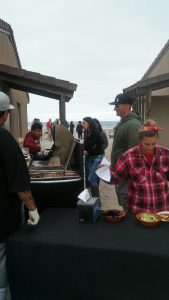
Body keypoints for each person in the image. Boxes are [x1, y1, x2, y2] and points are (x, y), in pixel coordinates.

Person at [0, 92, 40, 300]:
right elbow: (20, 184)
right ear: (5, 114)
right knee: (2, 259)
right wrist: (32, 209)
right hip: (2, 215)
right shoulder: (4, 139)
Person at [102, 119, 169, 213]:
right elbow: (116, 178)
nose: (150, 147)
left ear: (157, 139)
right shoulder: (128, 156)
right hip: (137, 211)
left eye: (153, 143)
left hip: (162, 211)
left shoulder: (166, 154)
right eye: (147, 144)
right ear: (140, 141)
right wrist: (103, 171)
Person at [109, 93, 142, 210]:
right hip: (121, 175)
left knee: (129, 209)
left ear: (127, 105)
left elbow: (136, 156)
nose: (114, 108)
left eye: (117, 105)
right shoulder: (125, 123)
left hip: (127, 178)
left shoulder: (132, 124)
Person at [82, 117, 104, 199]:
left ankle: (96, 201)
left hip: (98, 156)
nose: (82, 124)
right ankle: (95, 199)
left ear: (89, 123)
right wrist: (88, 148)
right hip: (90, 156)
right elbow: (87, 144)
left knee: (91, 178)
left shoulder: (96, 132)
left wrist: (88, 148)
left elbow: (90, 144)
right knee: (93, 177)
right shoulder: (86, 132)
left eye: (84, 123)